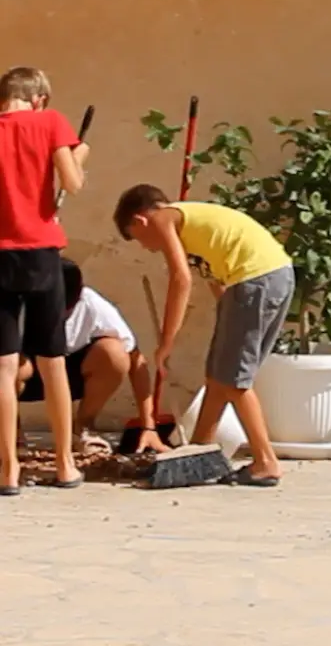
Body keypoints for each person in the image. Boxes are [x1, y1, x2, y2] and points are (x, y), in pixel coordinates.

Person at [112, 184, 293, 487]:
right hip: (268, 278)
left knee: (234, 380)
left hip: (254, 281)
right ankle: (197, 452)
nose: (146, 247)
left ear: (140, 221)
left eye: (137, 238)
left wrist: (166, 343)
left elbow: (180, 280)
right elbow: (218, 285)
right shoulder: (193, 231)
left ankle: (266, 462)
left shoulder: (163, 218)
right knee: (218, 376)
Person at [0, 66, 89, 495]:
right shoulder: (50, 122)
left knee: (1, 364)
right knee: (52, 358)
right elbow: (72, 183)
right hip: (40, 252)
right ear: (38, 99)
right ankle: (64, 464)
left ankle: (7, 470)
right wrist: (79, 156)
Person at [17, 258, 167, 456]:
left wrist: (148, 427)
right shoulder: (15, 306)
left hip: (70, 374)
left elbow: (136, 360)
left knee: (114, 353)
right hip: (25, 377)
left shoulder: (93, 305)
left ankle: (83, 430)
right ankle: (12, 436)